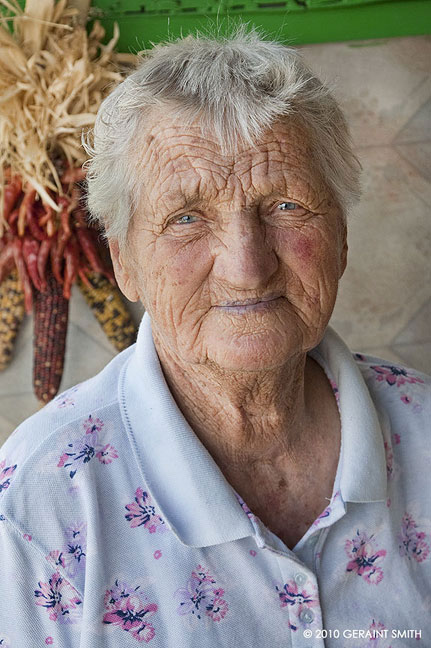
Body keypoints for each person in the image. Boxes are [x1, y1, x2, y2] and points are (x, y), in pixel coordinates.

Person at [0, 27, 430, 648]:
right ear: (125, 262)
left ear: (339, 236)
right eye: (186, 218)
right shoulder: (35, 513)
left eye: (284, 205)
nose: (245, 266)